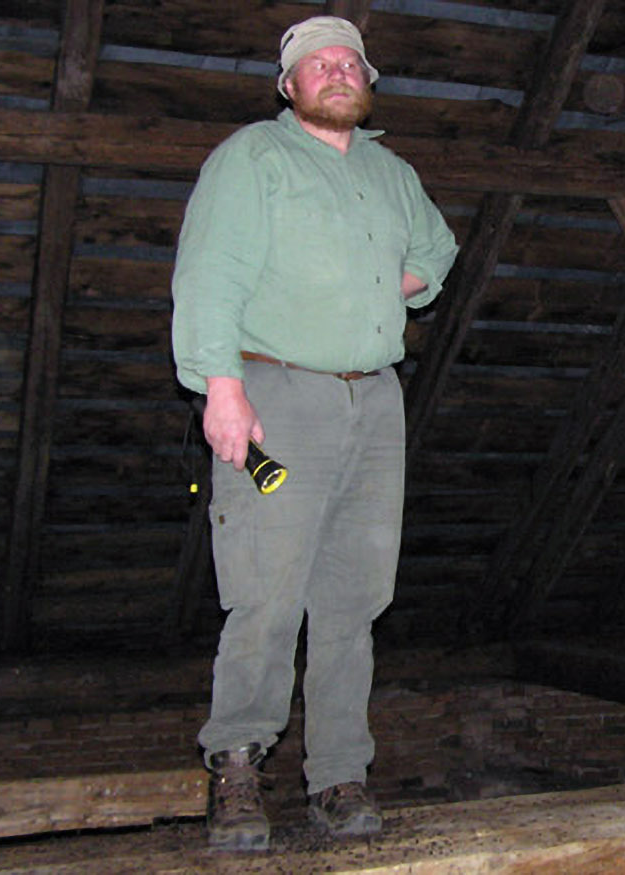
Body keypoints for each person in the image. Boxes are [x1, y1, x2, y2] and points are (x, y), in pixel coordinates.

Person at [170, 16, 458, 851]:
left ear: (367, 81)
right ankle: (237, 766)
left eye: (349, 63)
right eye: (316, 64)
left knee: (353, 599)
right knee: (265, 589)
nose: (336, 72)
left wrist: (377, 288)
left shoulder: (390, 171)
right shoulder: (253, 157)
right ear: (288, 85)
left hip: (374, 403)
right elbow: (209, 273)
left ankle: (338, 774)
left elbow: (437, 251)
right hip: (276, 393)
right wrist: (221, 387)